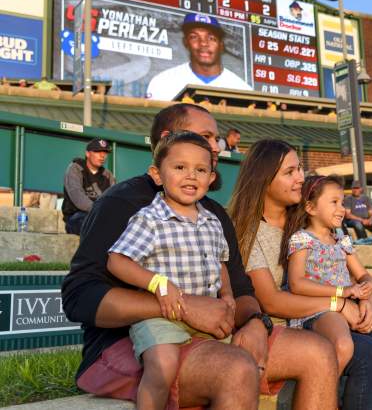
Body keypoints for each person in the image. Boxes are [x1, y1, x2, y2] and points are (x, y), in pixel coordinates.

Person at [62, 104, 338, 410]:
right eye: (206, 137)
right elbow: (80, 297)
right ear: (169, 139)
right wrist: (184, 307)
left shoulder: (213, 214)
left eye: (217, 139)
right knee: (235, 368)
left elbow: (241, 290)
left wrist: (255, 323)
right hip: (133, 343)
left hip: (212, 334)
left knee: (319, 352)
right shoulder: (125, 202)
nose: (216, 147)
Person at [228, 139, 372, 410]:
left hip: (325, 311)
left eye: (299, 169)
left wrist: (364, 301)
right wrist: (339, 304)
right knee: (370, 354)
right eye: (290, 172)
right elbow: (272, 302)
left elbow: (342, 272)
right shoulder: (249, 231)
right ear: (263, 179)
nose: (300, 177)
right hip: (283, 325)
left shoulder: (307, 222)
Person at [105, 132, 234, 409]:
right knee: (162, 365)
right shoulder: (150, 219)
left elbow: (220, 262)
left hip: (207, 314)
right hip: (162, 315)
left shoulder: (212, 220)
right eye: (179, 167)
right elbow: (117, 260)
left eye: (200, 170)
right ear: (157, 174)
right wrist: (159, 284)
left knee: (234, 362)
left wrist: (228, 297)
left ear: (211, 179)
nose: (191, 176)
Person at [283, 175, 372, 374]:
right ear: (310, 208)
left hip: (351, 302)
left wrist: (367, 290)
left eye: (343, 203)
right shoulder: (302, 239)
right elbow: (297, 283)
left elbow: (363, 274)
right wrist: (344, 292)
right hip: (323, 308)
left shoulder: (341, 240)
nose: (342, 209)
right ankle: (331, 389)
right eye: (334, 202)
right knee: (343, 346)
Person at [146, 13, 252, 101]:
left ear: (221, 45)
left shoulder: (242, 90)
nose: (203, 43)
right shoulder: (163, 82)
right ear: (185, 42)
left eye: (211, 38)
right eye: (194, 37)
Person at [61, 138, 116, 235]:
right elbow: (78, 197)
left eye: (105, 152)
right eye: (98, 151)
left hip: (101, 217)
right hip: (77, 216)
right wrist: (100, 211)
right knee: (92, 224)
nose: (102, 155)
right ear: (87, 154)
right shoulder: (75, 168)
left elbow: (113, 201)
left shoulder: (108, 175)